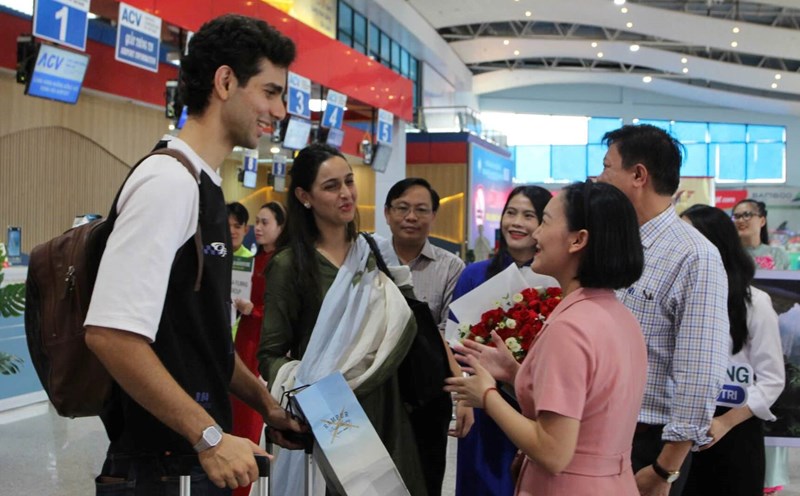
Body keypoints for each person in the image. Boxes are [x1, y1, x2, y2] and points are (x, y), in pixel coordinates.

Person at [83, 15, 303, 495]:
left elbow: (201, 341)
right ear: (225, 81)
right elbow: (110, 333)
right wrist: (208, 436)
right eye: (270, 92)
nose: (280, 110)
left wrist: (265, 405)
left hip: (189, 459)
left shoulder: (203, 184)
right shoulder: (168, 182)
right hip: (160, 467)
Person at [446, 180, 648, 495]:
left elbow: (553, 452)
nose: (536, 233)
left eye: (545, 221)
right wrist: (516, 373)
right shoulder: (617, 315)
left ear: (578, 240)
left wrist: (486, 394)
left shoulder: (569, 327)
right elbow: (590, 403)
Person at [258, 143, 427, 495]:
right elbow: (271, 352)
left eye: (349, 181)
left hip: (388, 407)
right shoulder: (290, 265)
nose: (346, 193)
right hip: (332, 412)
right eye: (331, 186)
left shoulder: (374, 253)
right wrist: (306, 396)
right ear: (305, 196)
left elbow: (406, 324)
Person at [597, 124, 730, 496]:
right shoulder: (612, 245)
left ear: (638, 175)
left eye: (608, 167)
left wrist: (664, 468)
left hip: (648, 443)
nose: (598, 178)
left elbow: (700, 369)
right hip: (596, 432)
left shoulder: (694, 255)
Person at [453, 185, 557, 496]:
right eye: (511, 213)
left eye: (528, 215)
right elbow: (455, 340)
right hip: (483, 401)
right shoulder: (474, 275)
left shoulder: (555, 281)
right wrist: (463, 399)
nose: (516, 222)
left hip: (536, 404)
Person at [679, 205, 785, 496]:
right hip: (680, 431)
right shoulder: (678, 298)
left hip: (736, 429)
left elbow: (772, 379)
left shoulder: (755, 303)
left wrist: (725, 422)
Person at [379, 177, 470, 496]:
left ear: (434, 215)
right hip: (375, 387)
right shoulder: (366, 257)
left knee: (425, 478)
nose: (411, 217)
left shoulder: (451, 266)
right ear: (387, 212)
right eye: (402, 208)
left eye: (421, 209)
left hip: (428, 393)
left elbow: (450, 333)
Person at [230, 201, 286, 496]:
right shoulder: (254, 259)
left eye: (265, 222)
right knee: (235, 418)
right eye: (257, 222)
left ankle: (241, 487)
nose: (259, 228)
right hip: (243, 341)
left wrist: (254, 310)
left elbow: (282, 311)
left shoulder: (283, 263)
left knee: (250, 419)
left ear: (281, 227)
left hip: (262, 346)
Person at [733, 199, 790, 271]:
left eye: (747, 215)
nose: (740, 220)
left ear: (762, 221)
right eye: (736, 216)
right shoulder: (727, 255)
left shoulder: (778, 255)